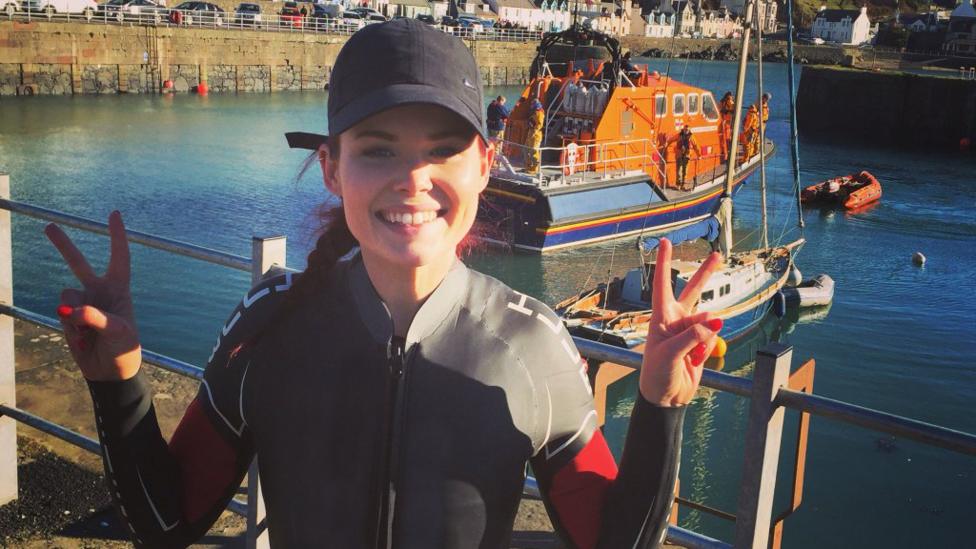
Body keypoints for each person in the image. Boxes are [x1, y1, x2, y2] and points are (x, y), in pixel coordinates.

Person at [44, 19, 722, 549]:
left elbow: (614, 539)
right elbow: (167, 520)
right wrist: (119, 383)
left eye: (442, 149)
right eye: (377, 149)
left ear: (485, 165)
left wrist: (661, 405)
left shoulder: (531, 342)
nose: (413, 179)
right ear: (332, 167)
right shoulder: (270, 325)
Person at [668, 124, 700, 190]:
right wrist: (667, 143)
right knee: (679, 170)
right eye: (685, 129)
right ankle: (678, 184)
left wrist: (699, 155)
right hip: (679, 155)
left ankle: (683, 184)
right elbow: (672, 139)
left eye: (687, 129)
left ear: (689, 130)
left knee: (685, 171)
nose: (686, 131)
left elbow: (696, 146)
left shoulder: (691, 137)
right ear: (683, 129)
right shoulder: (679, 135)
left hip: (687, 155)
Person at [524, 99, 545, 174]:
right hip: (530, 133)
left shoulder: (540, 113)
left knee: (534, 151)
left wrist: (534, 131)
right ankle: (528, 165)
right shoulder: (534, 112)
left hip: (535, 135)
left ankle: (535, 168)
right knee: (526, 149)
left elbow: (539, 124)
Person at [718, 91, 734, 158]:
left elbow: (719, 109)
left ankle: (725, 150)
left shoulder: (723, 101)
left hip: (724, 121)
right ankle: (726, 151)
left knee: (724, 137)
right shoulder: (727, 102)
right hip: (726, 121)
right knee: (726, 138)